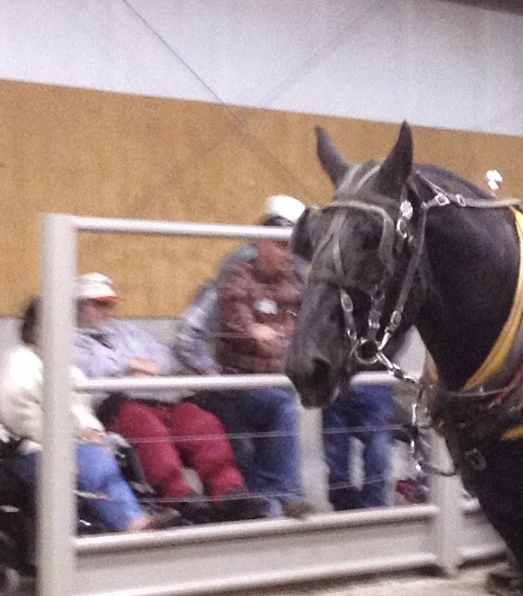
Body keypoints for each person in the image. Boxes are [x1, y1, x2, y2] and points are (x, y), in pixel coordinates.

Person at [71, 273, 263, 521]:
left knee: (200, 421)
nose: (106, 310)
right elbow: (85, 368)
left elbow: (166, 359)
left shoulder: (127, 330)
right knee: (146, 427)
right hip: (117, 406)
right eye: (98, 304)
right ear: (79, 306)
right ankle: (177, 497)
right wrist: (128, 365)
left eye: (108, 304)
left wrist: (147, 367)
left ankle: (228, 492)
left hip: (160, 400)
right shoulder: (68, 339)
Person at [1, 299, 176, 533]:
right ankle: (133, 523)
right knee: (91, 459)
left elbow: (81, 408)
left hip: (69, 444)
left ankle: (130, 518)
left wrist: (92, 432)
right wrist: (64, 446)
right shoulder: (20, 362)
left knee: (102, 450)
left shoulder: (66, 368)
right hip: (27, 450)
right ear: (35, 328)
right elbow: (20, 416)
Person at [210, 195, 313, 518]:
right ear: (263, 242)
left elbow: (300, 324)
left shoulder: (294, 283)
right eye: (281, 245)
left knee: (280, 411)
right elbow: (235, 319)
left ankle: (272, 503)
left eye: (290, 247)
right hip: (238, 380)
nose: (287, 254)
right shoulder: (239, 275)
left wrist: (270, 333)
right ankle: (285, 495)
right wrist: (254, 331)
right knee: (280, 413)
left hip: (274, 380)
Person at [322, 384, 393, 511]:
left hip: (370, 386)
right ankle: (354, 504)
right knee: (338, 472)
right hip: (337, 388)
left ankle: (372, 506)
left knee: (377, 452)